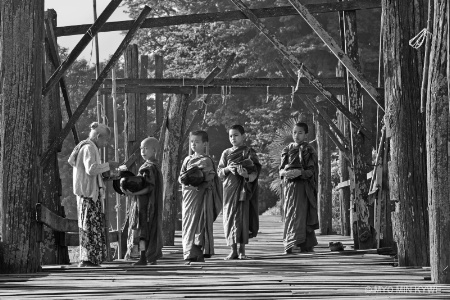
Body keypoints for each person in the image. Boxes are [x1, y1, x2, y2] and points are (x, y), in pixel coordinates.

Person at [68, 122, 120, 267]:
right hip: (88, 194)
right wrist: (109, 165)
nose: (106, 143)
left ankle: (92, 258)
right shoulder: (89, 148)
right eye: (105, 140)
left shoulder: (87, 146)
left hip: (90, 193)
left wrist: (106, 175)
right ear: (98, 136)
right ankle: (87, 259)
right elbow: (91, 169)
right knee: (89, 227)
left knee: (92, 227)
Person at [218, 124, 261, 260]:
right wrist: (227, 169)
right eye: (230, 136)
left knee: (243, 219)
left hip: (243, 190)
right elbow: (219, 172)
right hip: (229, 190)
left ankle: (242, 250)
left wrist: (246, 175)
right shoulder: (226, 153)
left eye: (236, 135)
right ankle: (233, 250)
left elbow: (255, 172)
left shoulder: (249, 152)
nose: (233, 138)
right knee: (229, 219)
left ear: (243, 136)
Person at [178, 130, 222, 263]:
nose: (193, 144)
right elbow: (180, 177)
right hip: (188, 197)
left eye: (197, 142)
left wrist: (198, 179)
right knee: (187, 224)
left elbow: (208, 177)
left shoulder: (206, 160)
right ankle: (189, 252)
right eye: (191, 142)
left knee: (199, 224)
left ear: (205, 144)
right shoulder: (187, 159)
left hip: (201, 196)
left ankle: (196, 252)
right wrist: (185, 179)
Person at [121, 137, 164, 265]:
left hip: (145, 205)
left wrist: (133, 193)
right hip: (151, 203)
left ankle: (143, 257)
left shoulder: (149, 168)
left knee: (142, 230)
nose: (142, 151)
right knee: (147, 229)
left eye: (146, 148)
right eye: (141, 148)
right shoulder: (154, 166)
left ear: (154, 150)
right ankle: (149, 257)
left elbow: (149, 187)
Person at [279, 122, 319, 254]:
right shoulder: (287, 149)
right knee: (290, 214)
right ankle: (291, 243)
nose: (296, 135)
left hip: (303, 188)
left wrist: (300, 173)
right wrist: (285, 173)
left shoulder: (309, 150)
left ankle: (301, 244)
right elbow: (280, 170)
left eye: (300, 132)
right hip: (289, 188)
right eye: (294, 132)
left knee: (301, 215)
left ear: (306, 135)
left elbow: (311, 171)